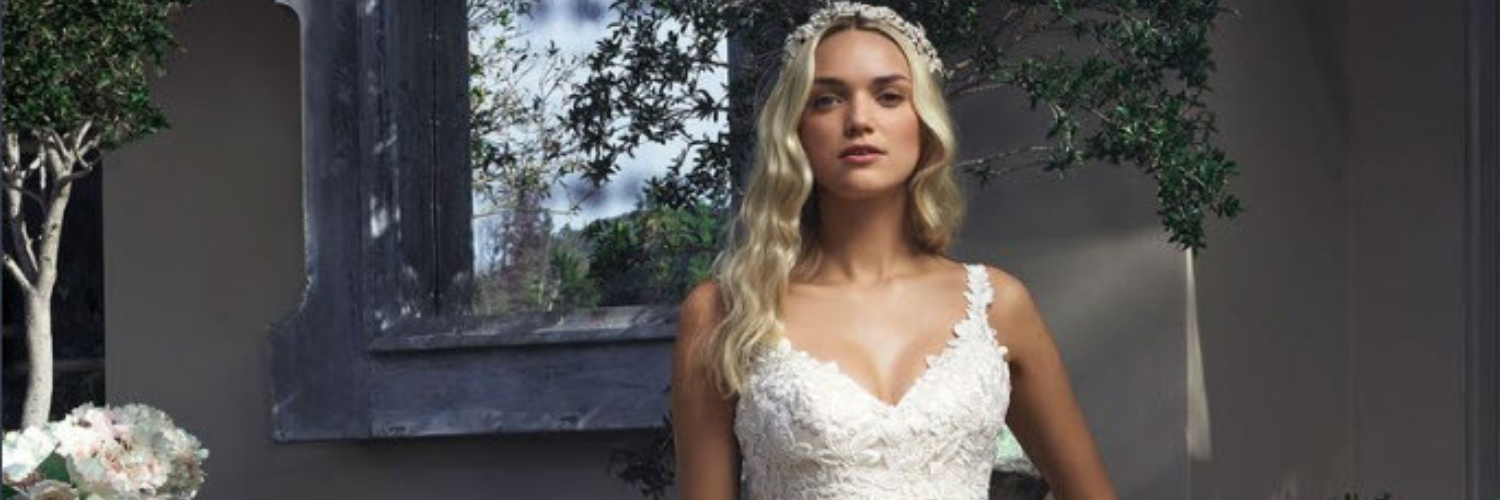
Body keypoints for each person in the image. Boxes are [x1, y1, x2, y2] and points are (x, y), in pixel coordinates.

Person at [670, 2, 1120, 499]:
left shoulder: (998, 305)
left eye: (888, 96)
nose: (859, 120)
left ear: (923, 123)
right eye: (826, 100)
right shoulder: (723, 312)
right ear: (795, 130)